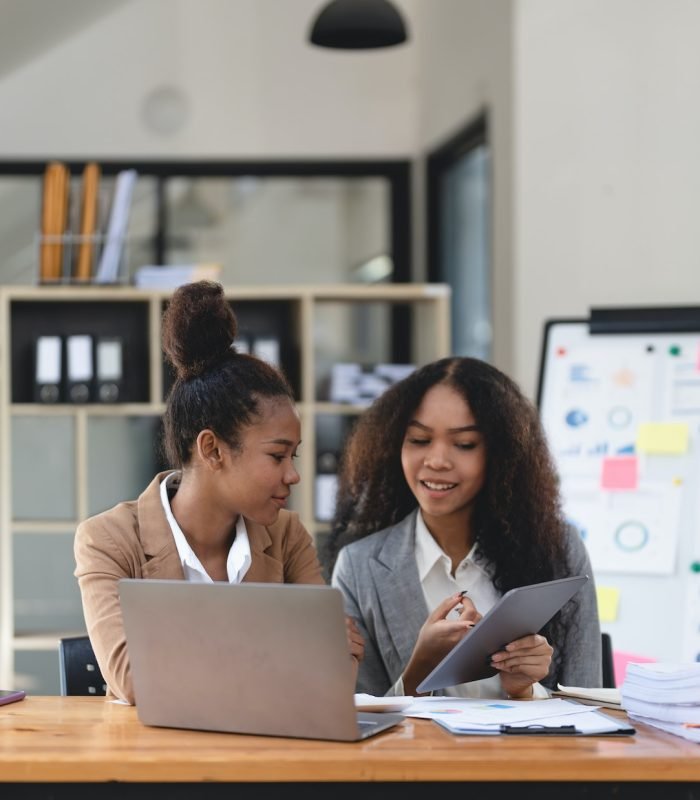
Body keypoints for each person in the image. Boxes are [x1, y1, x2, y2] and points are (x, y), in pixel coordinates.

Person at [75, 281, 362, 704]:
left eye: (294, 456)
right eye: (277, 456)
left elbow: (335, 667)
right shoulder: (109, 539)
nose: (293, 475)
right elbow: (135, 679)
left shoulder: (287, 536)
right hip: (156, 761)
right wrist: (288, 647)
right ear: (212, 449)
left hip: (266, 754)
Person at [326, 356, 601, 699]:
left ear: (501, 455)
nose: (437, 460)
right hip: (417, 756)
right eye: (419, 440)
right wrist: (419, 670)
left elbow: (590, 704)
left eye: (464, 444)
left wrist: (525, 691)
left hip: (526, 754)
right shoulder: (360, 567)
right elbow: (355, 718)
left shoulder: (559, 548)